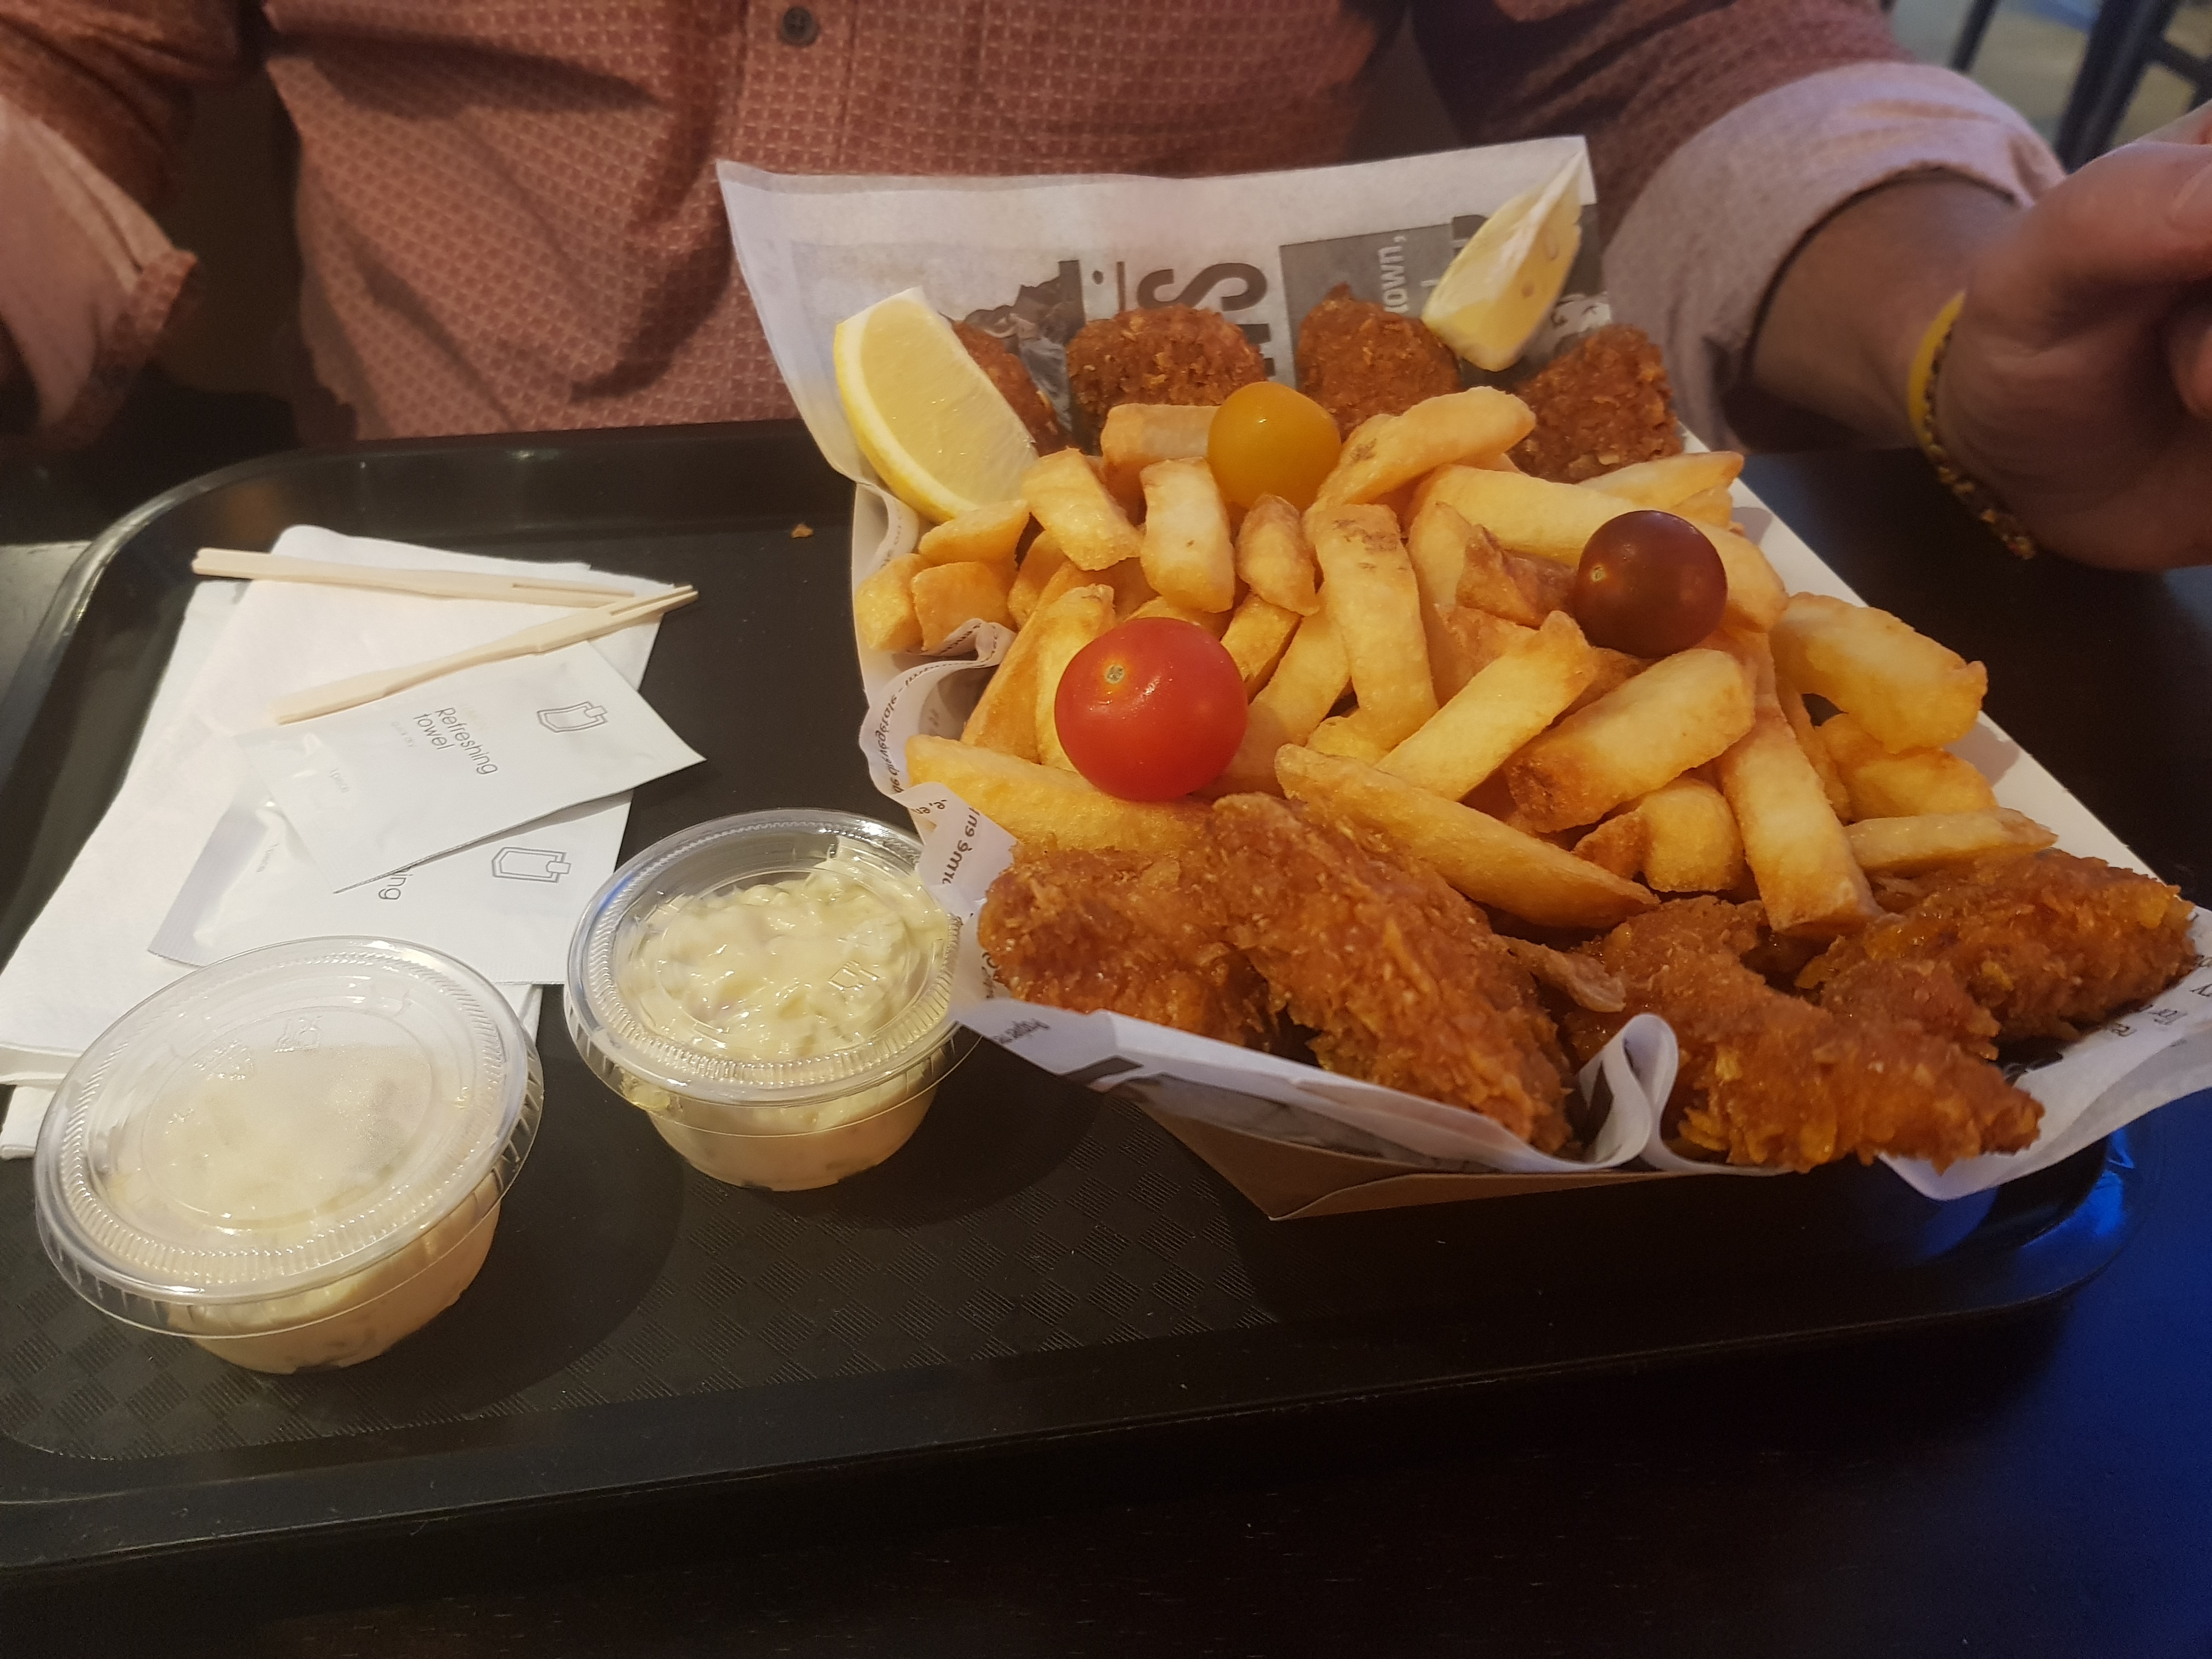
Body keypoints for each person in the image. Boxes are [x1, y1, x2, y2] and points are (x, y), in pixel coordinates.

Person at [0, 1, 2204, 570]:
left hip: (1210, 611)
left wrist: (1957, 339)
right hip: (452, 599)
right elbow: (67, 51)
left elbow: (1669, 44)